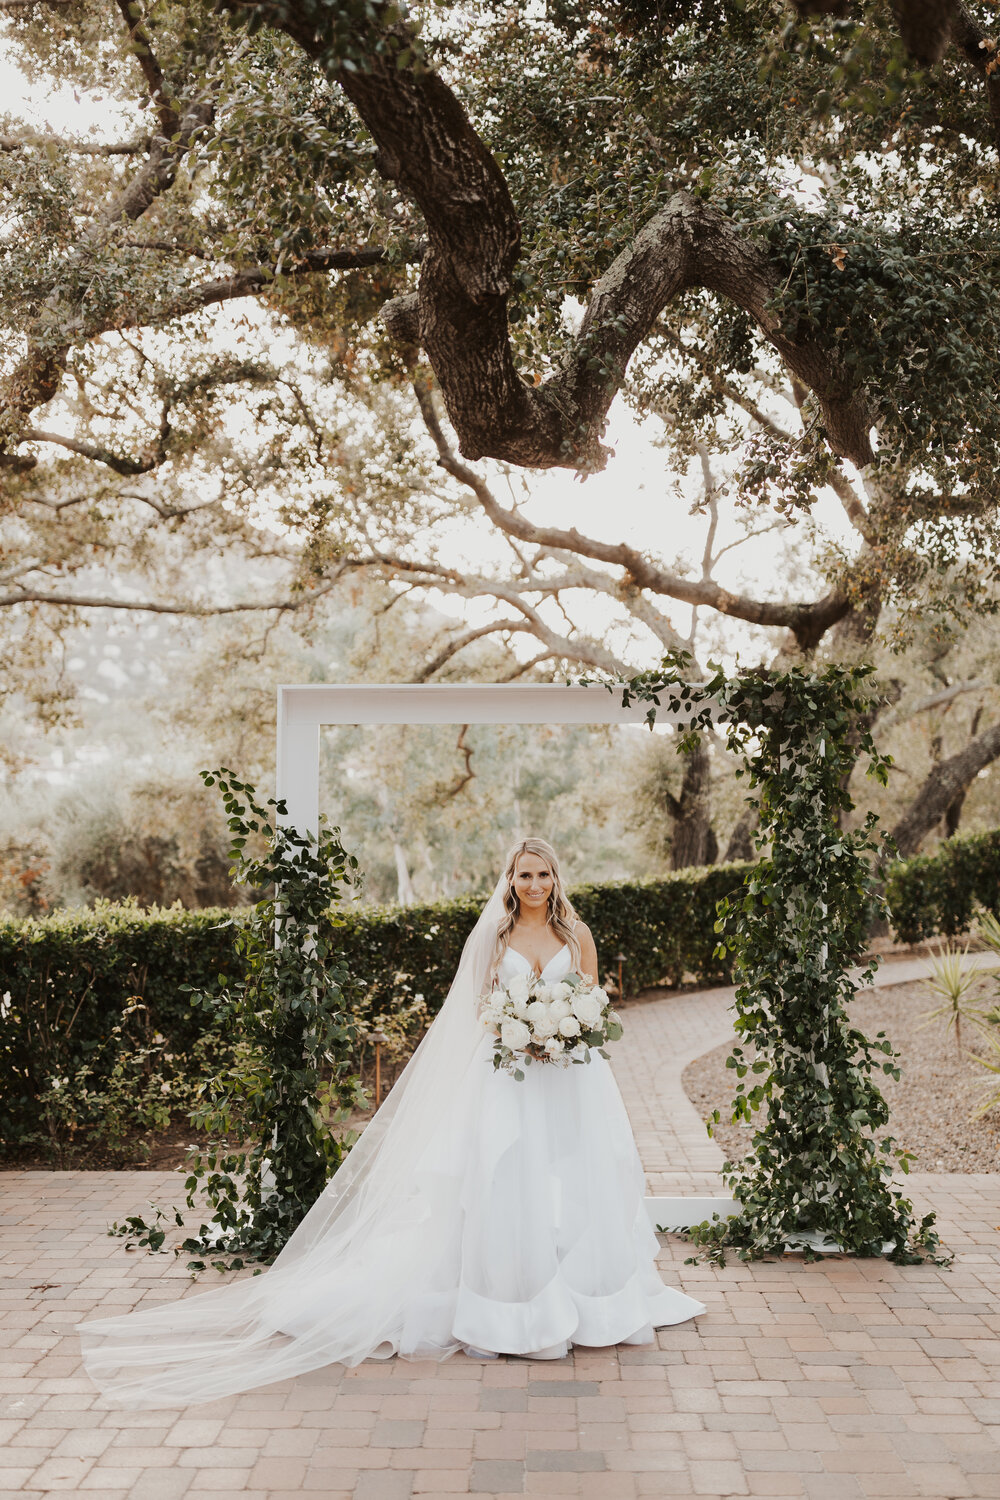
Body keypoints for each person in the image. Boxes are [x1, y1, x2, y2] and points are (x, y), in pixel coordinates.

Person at [78, 836, 705, 1408]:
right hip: (508, 1077)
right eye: (524, 875)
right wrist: (520, 1033)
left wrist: (561, 1032)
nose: (535, 885)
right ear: (510, 879)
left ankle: (587, 1304)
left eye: (543, 874)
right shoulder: (494, 934)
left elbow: (594, 1002)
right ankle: (504, 1310)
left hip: (570, 1077)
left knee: (576, 1179)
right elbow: (478, 1008)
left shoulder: (578, 935)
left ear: (557, 878)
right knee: (503, 1179)